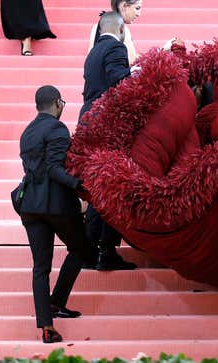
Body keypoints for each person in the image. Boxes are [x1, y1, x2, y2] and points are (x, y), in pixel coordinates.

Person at [18, 86, 94, 343]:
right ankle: (57, 301)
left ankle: (47, 326)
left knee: (40, 267)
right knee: (81, 249)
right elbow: (53, 168)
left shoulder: (27, 132)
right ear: (57, 103)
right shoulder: (58, 129)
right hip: (56, 206)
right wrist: (81, 188)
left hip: (30, 206)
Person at [80, 12, 137, 270]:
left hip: (89, 118)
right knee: (114, 186)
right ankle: (107, 251)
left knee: (97, 187)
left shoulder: (93, 52)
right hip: (108, 122)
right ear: (121, 29)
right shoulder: (116, 47)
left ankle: (92, 249)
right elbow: (120, 83)